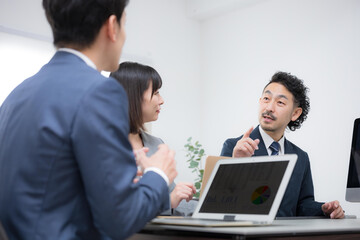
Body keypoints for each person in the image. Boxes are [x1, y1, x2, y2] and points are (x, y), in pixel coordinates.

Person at [0, 0, 177, 239]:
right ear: (112, 26)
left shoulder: (17, 94)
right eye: (125, 26)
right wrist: (158, 174)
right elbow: (119, 220)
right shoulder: (100, 91)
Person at [220, 71, 344, 219]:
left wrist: (324, 209)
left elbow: (303, 205)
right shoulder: (234, 147)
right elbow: (221, 202)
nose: (269, 108)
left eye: (280, 102)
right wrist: (238, 163)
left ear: (295, 113)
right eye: (266, 99)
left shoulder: (301, 157)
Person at [110, 62, 196, 215]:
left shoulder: (157, 144)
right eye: (155, 93)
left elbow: (172, 201)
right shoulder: (103, 146)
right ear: (133, 96)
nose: (161, 100)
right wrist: (169, 201)